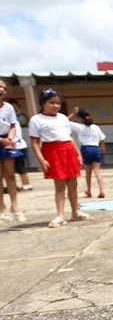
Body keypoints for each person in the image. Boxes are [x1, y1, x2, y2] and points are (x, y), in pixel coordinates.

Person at [29, 89, 91, 228]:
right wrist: (41, 160)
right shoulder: (36, 119)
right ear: (43, 103)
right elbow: (34, 142)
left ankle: (76, 212)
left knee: (73, 184)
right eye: (52, 103)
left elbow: (69, 137)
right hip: (52, 152)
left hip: (68, 150)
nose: (56, 106)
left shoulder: (63, 117)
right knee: (59, 186)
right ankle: (60, 215)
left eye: (57, 103)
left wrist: (78, 154)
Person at [0, 79, 25, 222]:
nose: (1, 89)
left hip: (7, 142)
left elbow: (13, 125)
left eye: (3, 87)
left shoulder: (8, 107)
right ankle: (2, 207)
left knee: (10, 174)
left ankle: (14, 206)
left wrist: (9, 139)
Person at [69, 107, 107, 198]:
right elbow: (102, 139)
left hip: (86, 149)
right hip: (95, 149)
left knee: (88, 172)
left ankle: (89, 190)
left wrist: (73, 113)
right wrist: (102, 147)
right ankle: (102, 190)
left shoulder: (79, 127)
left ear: (80, 118)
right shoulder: (95, 127)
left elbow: (64, 121)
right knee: (97, 171)